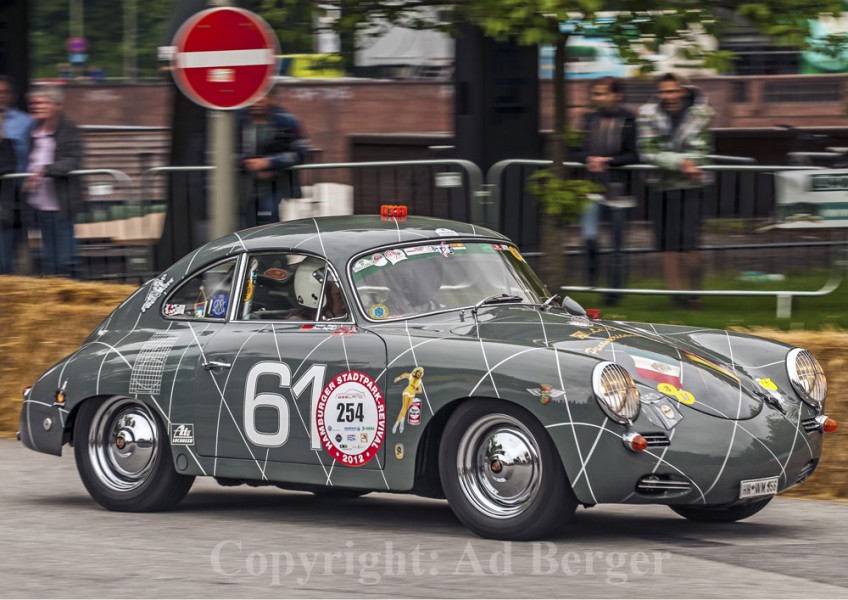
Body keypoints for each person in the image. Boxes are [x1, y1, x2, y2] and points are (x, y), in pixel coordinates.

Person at [638, 72, 714, 308]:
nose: (667, 96)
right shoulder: (647, 113)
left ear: (683, 90)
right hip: (660, 185)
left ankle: (695, 294)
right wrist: (681, 163)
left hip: (692, 186)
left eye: (671, 91)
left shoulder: (702, 113)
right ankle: (677, 296)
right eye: (663, 92)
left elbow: (701, 152)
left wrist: (682, 162)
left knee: (690, 241)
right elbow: (648, 151)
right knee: (667, 243)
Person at [571, 76, 639, 303]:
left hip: (620, 190)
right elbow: (576, 150)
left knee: (617, 245)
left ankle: (614, 293)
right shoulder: (589, 119)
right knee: (589, 237)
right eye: (596, 93)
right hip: (592, 188)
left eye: (603, 93)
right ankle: (592, 280)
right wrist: (588, 158)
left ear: (616, 95)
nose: (598, 98)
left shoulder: (629, 119)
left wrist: (609, 160)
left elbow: (633, 154)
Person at [24, 84, 84, 277]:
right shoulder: (31, 131)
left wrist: (45, 171)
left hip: (61, 203)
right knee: (50, 259)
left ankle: (75, 295)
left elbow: (73, 160)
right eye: (34, 103)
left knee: (66, 258)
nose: (37, 106)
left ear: (57, 105)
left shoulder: (69, 128)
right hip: (39, 204)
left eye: (43, 102)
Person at [239, 89, 308, 227]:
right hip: (244, 185)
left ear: (270, 98)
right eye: (253, 96)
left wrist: (269, 163)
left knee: (270, 225)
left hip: (275, 184)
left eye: (261, 96)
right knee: (245, 226)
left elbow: (300, 152)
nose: (257, 101)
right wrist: (247, 164)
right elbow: (226, 150)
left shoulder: (287, 121)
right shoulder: (238, 121)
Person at [0, 76, 33, 274]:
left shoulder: (25, 121)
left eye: (4, 92)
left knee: (11, 247)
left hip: (16, 191)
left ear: (11, 96)